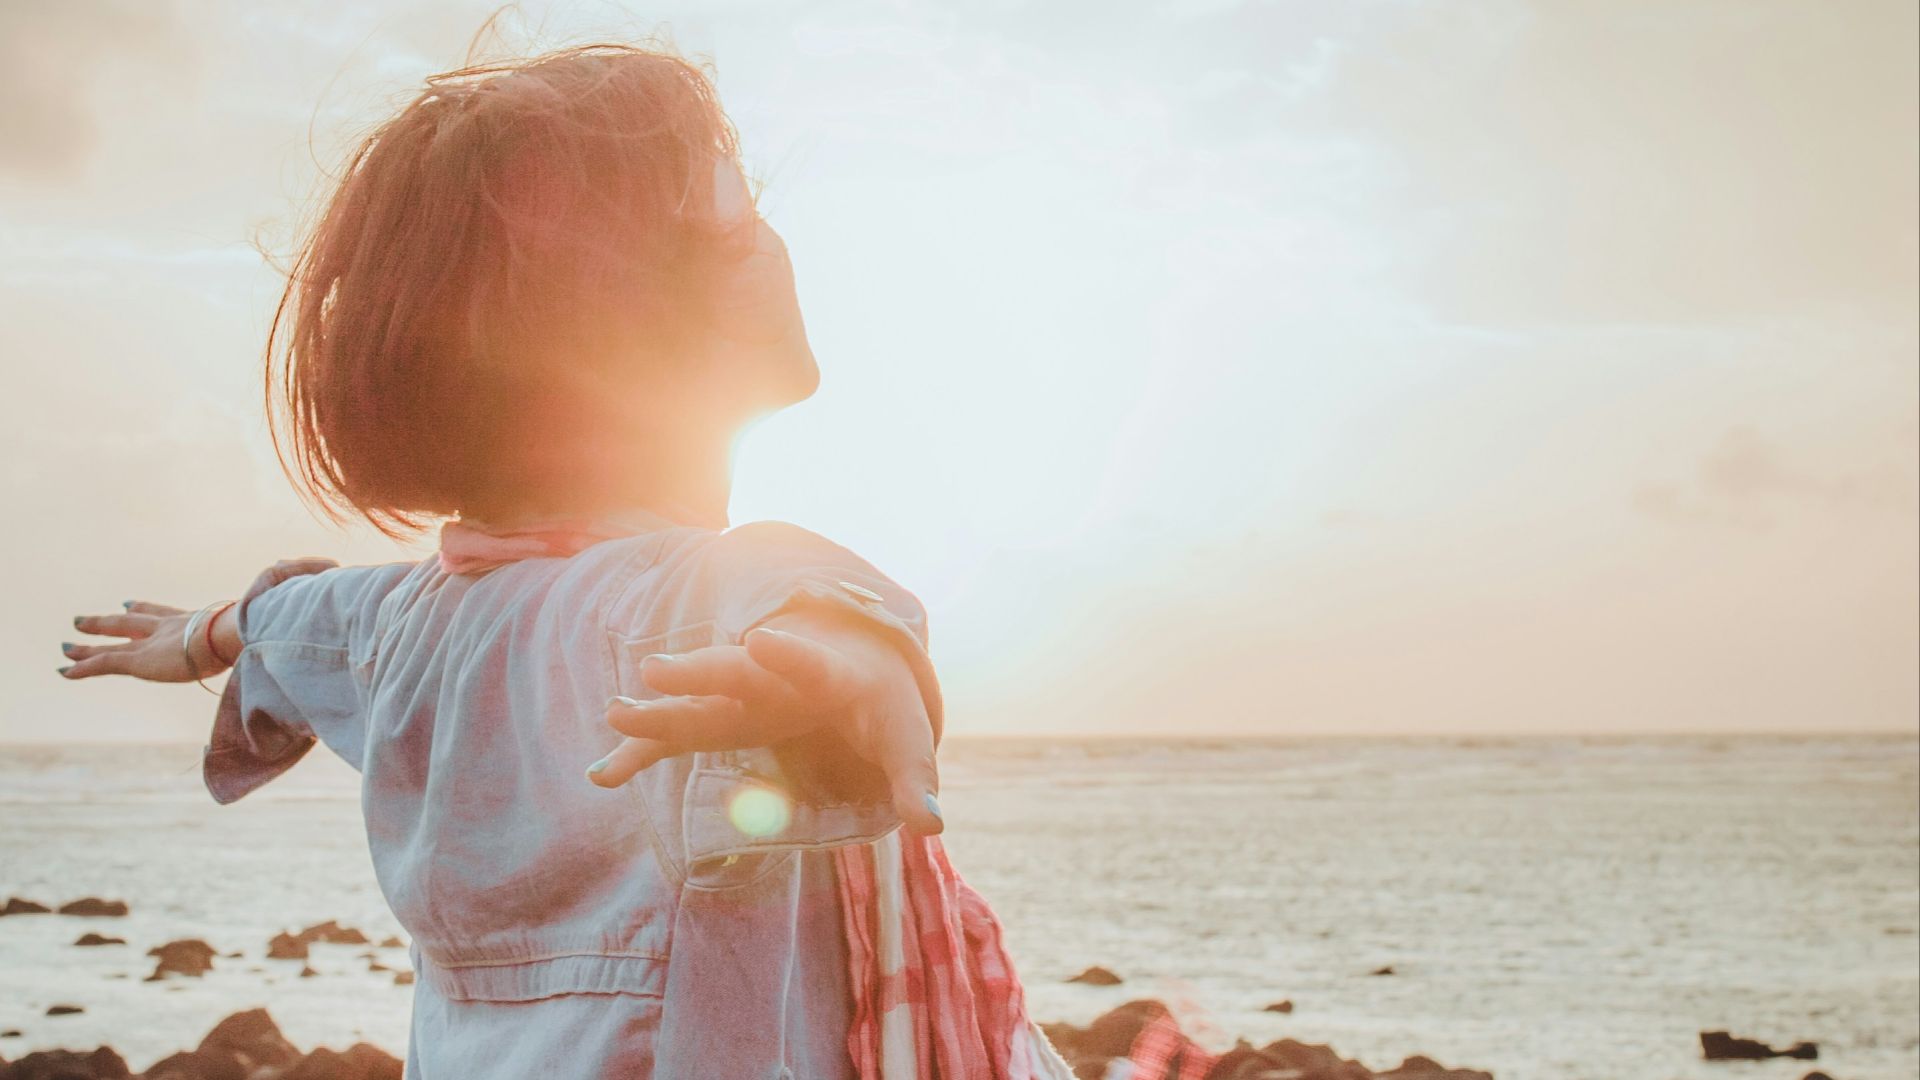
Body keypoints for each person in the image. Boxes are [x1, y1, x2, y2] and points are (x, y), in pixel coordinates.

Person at [58, 41, 1071, 1080]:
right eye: (732, 218)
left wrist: (198, 637)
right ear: (623, 323)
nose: (769, 238)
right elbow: (801, 604)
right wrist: (847, 668)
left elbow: (287, 621)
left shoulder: (399, 622)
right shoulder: (681, 599)